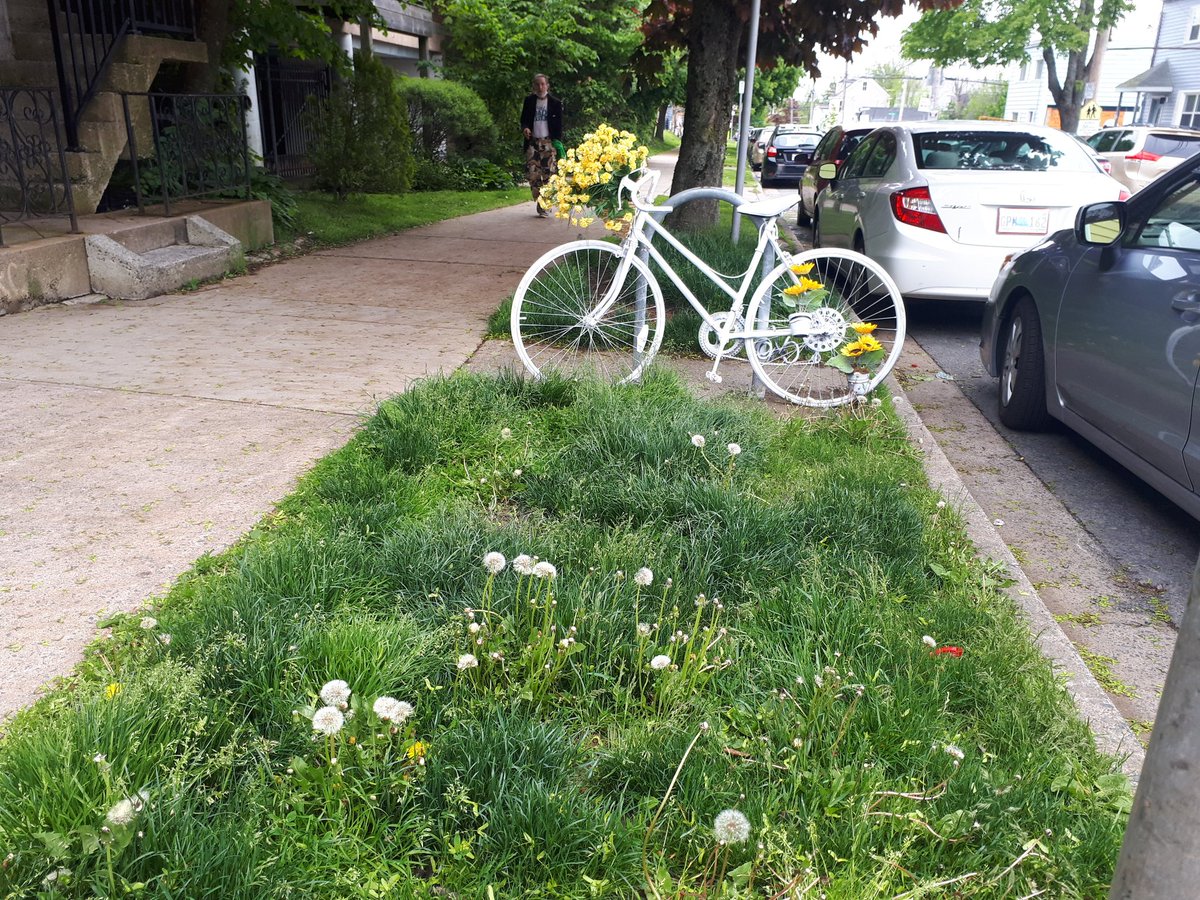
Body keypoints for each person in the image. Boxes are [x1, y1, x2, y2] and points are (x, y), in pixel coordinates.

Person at [520, 74, 563, 218]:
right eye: (537, 84)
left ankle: (544, 205)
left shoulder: (555, 103)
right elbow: (524, 120)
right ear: (534, 86)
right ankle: (540, 200)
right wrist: (525, 128)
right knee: (533, 174)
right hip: (533, 142)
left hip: (548, 143)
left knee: (548, 175)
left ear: (547, 85)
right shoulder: (529, 101)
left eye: (543, 84)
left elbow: (559, 126)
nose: (540, 87)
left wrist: (557, 143)